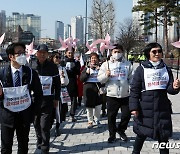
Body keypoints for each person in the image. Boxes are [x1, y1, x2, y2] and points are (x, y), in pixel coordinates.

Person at [129, 42, 180, 154]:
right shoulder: (141, 69)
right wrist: (134, 107)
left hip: (162, 109)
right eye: (154, 51)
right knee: (141, 134)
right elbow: (134, 90)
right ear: (148, 53)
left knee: (164, 137)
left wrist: (175, 87)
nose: (157, 54)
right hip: (145, 109)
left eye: (159, 51)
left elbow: (169, 89)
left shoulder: (166, 68)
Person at [0, 42, 43, 154]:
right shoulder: (2, 74)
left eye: (23, 53)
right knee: (5, 148)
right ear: (11, 56)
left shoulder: (31, 73)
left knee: (23, 146)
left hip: (24, 117)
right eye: (19, 53)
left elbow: (39, 94)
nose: (22, 56)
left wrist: (33, 112)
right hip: (7, 117)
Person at [97, 44, 133, 143]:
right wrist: (106, 75)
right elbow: (100, 79)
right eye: (115, 52)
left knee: (126, 115)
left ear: (122, 52)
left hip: (125, 94)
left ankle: (121, 130)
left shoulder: (127, 64)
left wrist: (131, 89)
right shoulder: (106, 64)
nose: (117, 54)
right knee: (111, 116)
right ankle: (112, 135)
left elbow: (131, 78)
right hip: (111, 95)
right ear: (111, 53)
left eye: (119, 52)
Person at [32, 44, 61, 154]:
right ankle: (39, 139)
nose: (42, 54)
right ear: (37, 53)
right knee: (36, 123)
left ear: (48, 54)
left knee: (45, 125)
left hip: (48, 100)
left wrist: (56, 98)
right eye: (40, 52)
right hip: (34, 101)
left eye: (45, 52)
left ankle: (45, 148)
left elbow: (57, 85)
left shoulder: (52, 67)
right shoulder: (32, 65)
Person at [80, 52, 103, 128]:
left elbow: (104, 78)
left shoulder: (101, 67)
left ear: (98, 59)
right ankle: (90, 121)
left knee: (98, 105)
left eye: (95, 58)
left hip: (98, 87)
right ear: (90, 60)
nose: (93, 60)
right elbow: (81, 79)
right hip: (88, 87)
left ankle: (97, 119)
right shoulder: (86, 67)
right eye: (92, 58)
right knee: (89, 106)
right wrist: (86, 73)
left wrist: (101, 71)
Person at [50, 52, 69, 136]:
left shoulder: (62, 68)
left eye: (59, 57)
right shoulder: (49, 68)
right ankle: (49, 126)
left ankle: (57, 126)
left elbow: (66, 82)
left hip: (60, 92)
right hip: (50, 92)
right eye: (56, 57)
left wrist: (63, 77)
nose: (58, 59)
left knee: (59, 111)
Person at [64, 47, 81, 122]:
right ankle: (63, 113)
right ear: (66, 53)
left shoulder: (76, 62)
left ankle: (72, 114)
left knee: (74, 99)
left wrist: (73, 69)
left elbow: (78, 72)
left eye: (72, 53)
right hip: (64, 82)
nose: (70, 54)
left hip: (73, 81)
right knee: (63, 99)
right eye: (69, 53)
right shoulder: (63, 62)